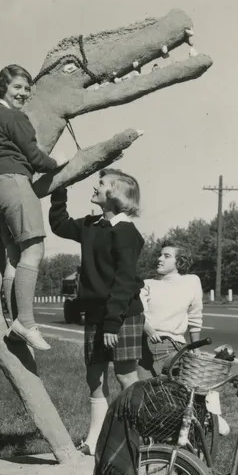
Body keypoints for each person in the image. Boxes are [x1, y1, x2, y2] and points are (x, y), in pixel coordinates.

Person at [0, 64, 66, 351]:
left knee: (13, 256)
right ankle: (26, 322)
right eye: (17, 87)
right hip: (14, 183)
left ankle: (11, 320)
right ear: (3, 88)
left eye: (26, 88)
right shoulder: (15, 117)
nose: (23, 93)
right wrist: (58, 164)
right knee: (33, 250)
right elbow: (35, 158)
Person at [49, 168, 145, 456]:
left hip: (122, 316)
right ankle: (95, 440)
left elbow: (124, 282)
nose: (95, 186)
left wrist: (113, 324)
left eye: (101, 184)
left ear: (114, 194)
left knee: (126, 377)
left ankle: (139, 439)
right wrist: (59, 189)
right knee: (95, 378)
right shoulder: (91, 225)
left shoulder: (127, 232)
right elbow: (59, 224)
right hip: (95, 315)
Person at [139, 243, 204, 378]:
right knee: (146, 393)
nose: (160, 259)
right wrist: (149, 330)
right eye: (160, 255)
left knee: (172, 393)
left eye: (166, 256)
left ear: (179, 261)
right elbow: (140, 312)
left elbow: (195, 317)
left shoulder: (192, 281)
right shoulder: (147, 284)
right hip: (149, 345)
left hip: (177, 347)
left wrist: (196, 350)